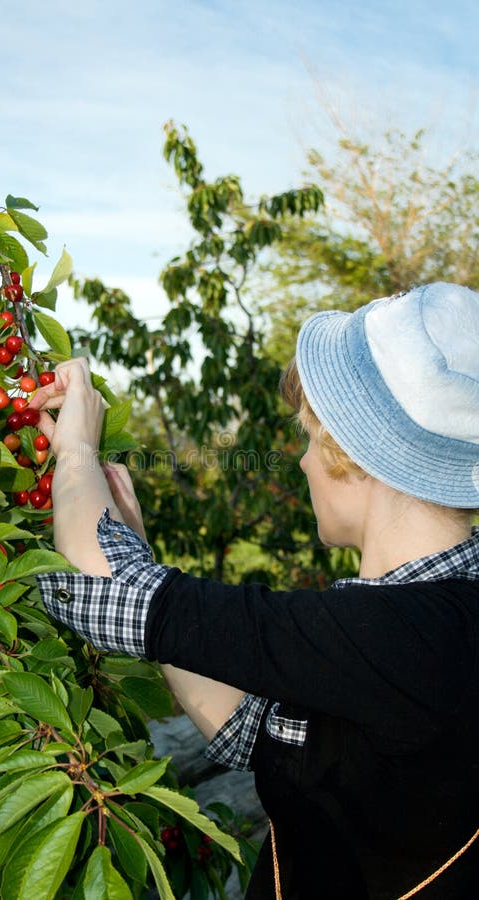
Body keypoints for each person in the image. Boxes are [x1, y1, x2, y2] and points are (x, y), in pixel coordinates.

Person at [29, 282, 479, 899]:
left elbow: (91, 590)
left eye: (309, 441)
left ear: (351, 454)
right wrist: (147, 575)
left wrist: (77, 446)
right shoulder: (432, 623)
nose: (300, 464)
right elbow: (256, 730)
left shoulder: (402, 637)